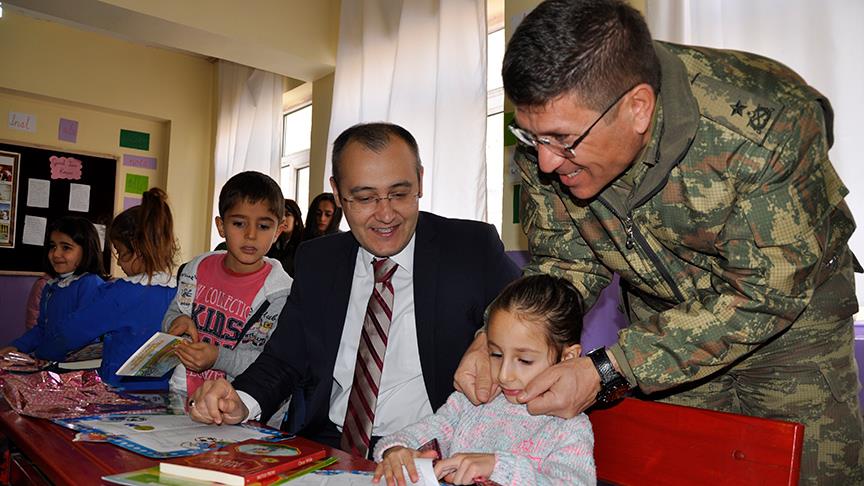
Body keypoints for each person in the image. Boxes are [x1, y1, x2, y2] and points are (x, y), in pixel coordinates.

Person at [455, 1, 864, 483]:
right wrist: (493, 340)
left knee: (813, 473)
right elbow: (566, 265)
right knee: (680, 470)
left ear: (638, 108)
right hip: (665, 322)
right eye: (532, 138)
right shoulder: (551, 141)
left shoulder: (766, 126)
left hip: (792, 335)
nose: (545, 162)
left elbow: (768, 292)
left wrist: (611, 368)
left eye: (562, 140)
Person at [187, 122, 521, 460]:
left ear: (420, 180)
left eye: (399, 194)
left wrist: (487, 338)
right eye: (364, 198)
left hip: (432, 451)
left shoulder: (470, 249)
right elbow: (285, 359)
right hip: (330, 446)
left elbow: (534, 315)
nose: (386, 214)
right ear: (337, 192)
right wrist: (240, 400)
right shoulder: (319, 261)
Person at [373, 275, 595, 486]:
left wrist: (498, 467)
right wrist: (397, 451)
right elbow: (419, 434)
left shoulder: (569, 427)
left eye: (524, 360)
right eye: (496, 354)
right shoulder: (473, 402)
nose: (504, 375)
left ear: (568, 358)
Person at [162, 171, 293, 428]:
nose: (251, 235)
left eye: (263, 226)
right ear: (221, 226)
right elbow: (174, 312)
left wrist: (217, 357)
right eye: (239, 224)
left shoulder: (281, 294)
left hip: (243, 409)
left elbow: (271, 363)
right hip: (184, 395)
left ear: (278, 231)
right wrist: (177, 322)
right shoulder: (197, 269)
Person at [34, 188, 179, 390]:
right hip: (165, 390)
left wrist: (41, 354)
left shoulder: (121, 292)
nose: (118, 263)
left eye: (120, 252)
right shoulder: (180, 290)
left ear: (137, 249)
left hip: (120, 392)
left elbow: (71, 332)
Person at [0, 216, 106, 357]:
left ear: (87, 250)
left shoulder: (91, 284)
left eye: (66, 247)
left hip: (77, 365)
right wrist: (16, 347)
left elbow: (84, 333)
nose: (56, 254)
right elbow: (42, 330)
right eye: (52, 246)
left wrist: (42, 353)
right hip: (53, 361)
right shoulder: (51, 286)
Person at [266, 198, 304, 276]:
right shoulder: (271, 241)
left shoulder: (302, 245)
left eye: (287, 215)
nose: (283, 219)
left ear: (296, 220)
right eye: (281, 215)